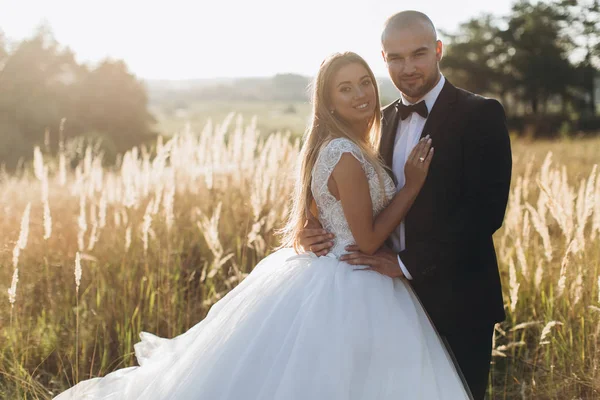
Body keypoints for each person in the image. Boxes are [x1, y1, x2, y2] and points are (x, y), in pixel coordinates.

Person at [54, 51, 471, 399]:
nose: (360, 93)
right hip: (353, 276)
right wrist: (411, 186)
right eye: (345, 88)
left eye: (364, 81)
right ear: (327, 101)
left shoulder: (345, 145)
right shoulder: (344, 153)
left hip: (337, 271)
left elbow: (324, 212)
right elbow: (367, 238)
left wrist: (312, 227)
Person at [299, 11, 512, 400]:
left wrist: (404, 264)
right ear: (384, 60)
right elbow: (342, 192)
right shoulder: (376, 123)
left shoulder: (480, 114)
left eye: (418, 54)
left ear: (438, 51)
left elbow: (484, 214)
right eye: (396, 57)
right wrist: (313, 228)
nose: (408, 67)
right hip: (381, 301)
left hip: (456, 300)